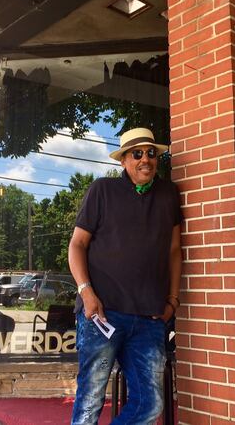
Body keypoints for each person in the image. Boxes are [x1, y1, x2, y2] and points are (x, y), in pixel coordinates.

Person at [69, 127, 182, 425]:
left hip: (150, 319)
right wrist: (86, 292)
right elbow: (77, 245)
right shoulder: (102, 190)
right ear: (123, 160)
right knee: (91, 399)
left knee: (150, 402)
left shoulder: (170, 194)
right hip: (102, 315)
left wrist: (172, 300)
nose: (146, 159)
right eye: (137, 153)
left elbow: (173, 251)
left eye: (151, 153)